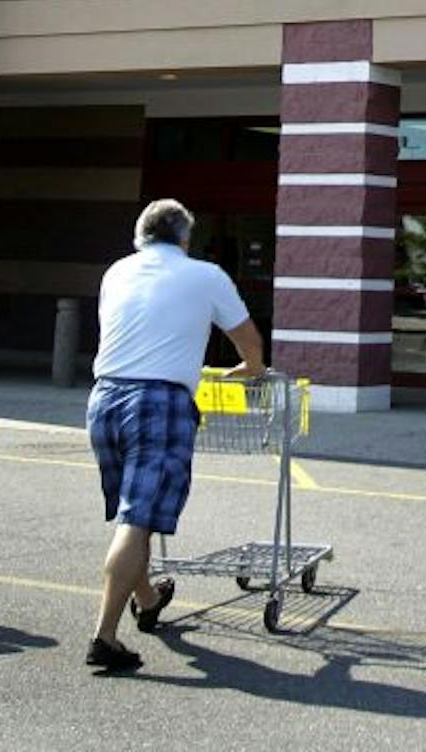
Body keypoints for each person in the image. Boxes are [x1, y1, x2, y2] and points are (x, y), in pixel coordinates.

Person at [86, 198, 264, 674]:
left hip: (104, 399)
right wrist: (250, 368)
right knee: (137, 519)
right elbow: (247, 339)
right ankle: (104, 636)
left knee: (129, 513)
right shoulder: (205, 276)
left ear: (139, 235)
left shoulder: (116, 273)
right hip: (158, 402)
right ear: (185, 237)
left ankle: (147, 598)